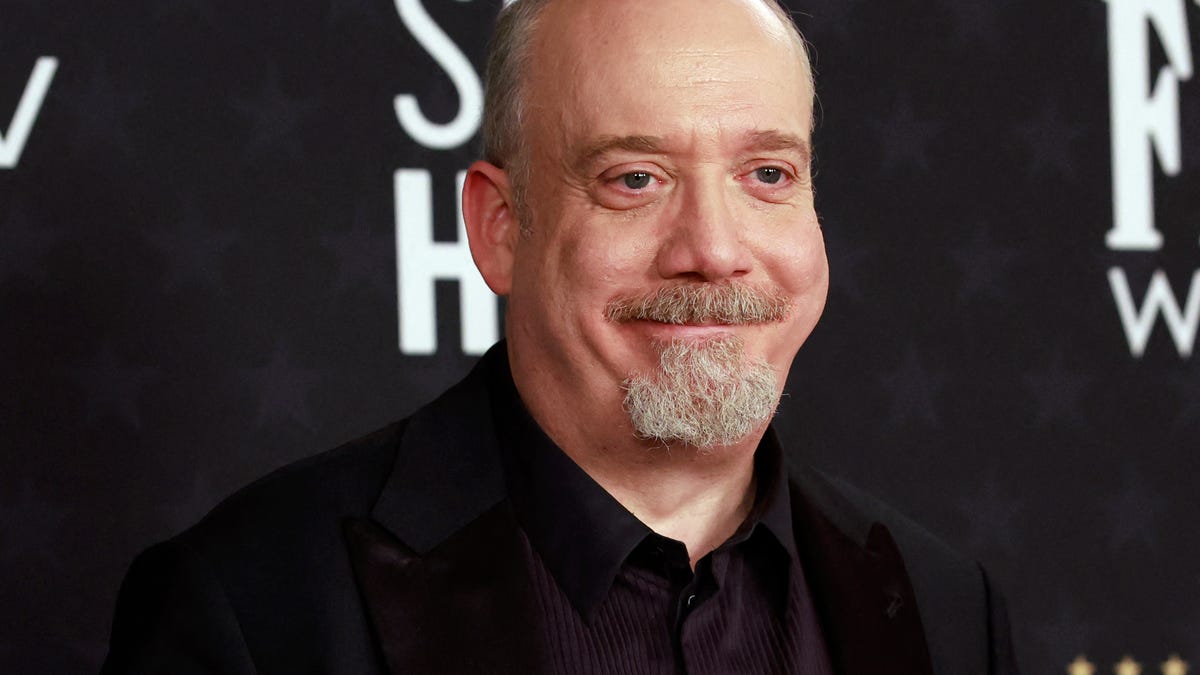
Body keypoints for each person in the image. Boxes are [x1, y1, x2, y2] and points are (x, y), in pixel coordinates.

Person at [103, 0, 1018, 673]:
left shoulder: (945, 611)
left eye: (767, 174)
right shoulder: (255, 611)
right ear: (500, 227)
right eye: (635, 179)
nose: (713, 249)